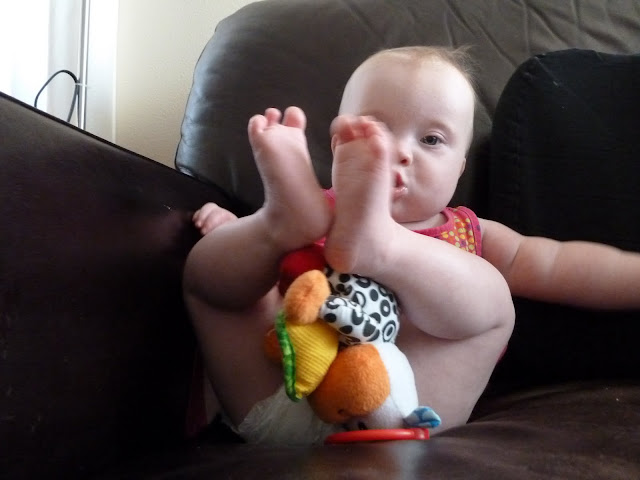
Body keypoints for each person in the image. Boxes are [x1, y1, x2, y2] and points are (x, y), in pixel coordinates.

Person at [184, 46, 640, 444]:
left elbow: (560, 263)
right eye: (376, 131)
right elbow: (232, 284)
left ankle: (379, 246)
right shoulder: (315, 212)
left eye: (431, 139)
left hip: (397, 416)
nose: (400, 151)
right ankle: (271, 227)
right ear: (337, 144)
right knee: (213, 280)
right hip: (277, 394)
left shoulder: (470, 233)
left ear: (460, 167)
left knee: (490, 300)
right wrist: (242, 236)